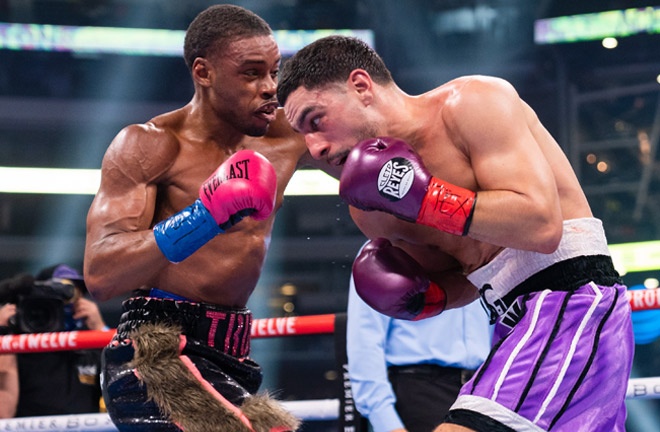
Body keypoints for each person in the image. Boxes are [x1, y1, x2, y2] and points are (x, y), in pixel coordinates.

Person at [277, 36, 633, 432]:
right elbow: (473, 275)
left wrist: (427, 198)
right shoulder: (369, 210)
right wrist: (434, 298)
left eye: (316, 121)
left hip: (572, 302)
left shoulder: (473, 104)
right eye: (303, 136)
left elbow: (541, 226)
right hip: (511, 320)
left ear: (361, 86)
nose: (315, 147)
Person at [83, 4, 335, 432]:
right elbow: (102, 274)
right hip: (156, 354)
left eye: (274, 71)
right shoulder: (151, 145)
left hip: (232, 354)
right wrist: (204, 217)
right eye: (252, 73)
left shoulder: (285, 138)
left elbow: (379, 139)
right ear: (204, 72)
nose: (270, 88)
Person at [347, 241, 492, 432]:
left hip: (482, 392)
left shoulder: (486, 248)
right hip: (417, 391)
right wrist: (387, 422)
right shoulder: (387, 248)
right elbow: (365, 341)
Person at [0, 264, 107, 419]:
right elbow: (3, 414)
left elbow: (127, 390)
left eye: (73, 294)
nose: (65, 302)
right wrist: (3, 335)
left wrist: (100, 330)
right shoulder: (17, 342)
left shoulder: (88, 342)